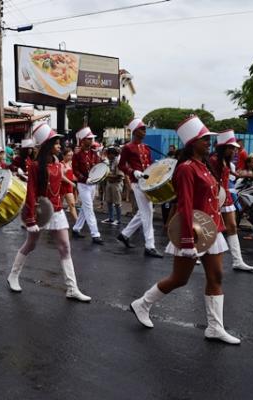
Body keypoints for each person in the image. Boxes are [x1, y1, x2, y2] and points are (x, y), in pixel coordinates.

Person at [130, 116, 240, 345]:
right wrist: (188, 241)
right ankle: (143, 303)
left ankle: (215, 327)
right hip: (193, 231)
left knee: (216, 276)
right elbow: (185, 205)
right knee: (180, 279)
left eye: (209, 139)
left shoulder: (205, 165)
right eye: (204, 139)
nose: (208, 143)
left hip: (211, 228)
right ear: (192, 143)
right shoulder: (186, 169)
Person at [7, 123, 91, 302]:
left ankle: (72, 288)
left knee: (65, 247)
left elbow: (61, 183)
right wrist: (30, 219)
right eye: (56, 143)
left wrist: (72, 189)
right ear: (47, 145)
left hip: (58, 209)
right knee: (31, 245)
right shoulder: (36, 166)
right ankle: (13, 276)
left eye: (59, 143)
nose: (60, 146)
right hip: (40, 211)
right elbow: (30, 191)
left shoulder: (58, 164)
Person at [117, 118, 163, 258]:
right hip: (137, 183)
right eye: (142, 129)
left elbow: (148, 164)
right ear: (135, 131)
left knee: (145, 211)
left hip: (147, 182)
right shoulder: (127, 147)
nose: (145, 131)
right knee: (147, 213)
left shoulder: (146, 147)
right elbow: (121, 165)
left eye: (145, 129)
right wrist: (132, 172)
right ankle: (150, 246)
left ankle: (125, 235)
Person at [209, 130, 253, 271]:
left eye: (235, 148)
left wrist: (247, 174)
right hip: (215, 197)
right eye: (231, 148)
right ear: (223, 148)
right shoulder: (213, 160)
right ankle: (196, 254)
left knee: (233, 227)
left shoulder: (226, 162)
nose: (234, 151)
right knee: (210, 227)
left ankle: (237, 261)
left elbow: (233, 174)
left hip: (226, 197)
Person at [71, 127, 104, 244]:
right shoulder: (77, 155)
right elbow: (75, 170)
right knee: (89, 208)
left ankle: (76, 228)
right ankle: (95, 234)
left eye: (91, 139)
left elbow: (98, 166)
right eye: (89, 139)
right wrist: (85, 179)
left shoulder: (93, 153)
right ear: (83, 140)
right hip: (83, 185)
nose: (91, 141)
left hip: (92, 184)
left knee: (86, 208)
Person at [102, 146, 125, 226]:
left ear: (113, 154)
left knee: (117, 202)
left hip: (116, 184)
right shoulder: (109, 161)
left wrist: (107, 176)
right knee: (109, 201)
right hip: (109, 183)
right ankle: (111, 218)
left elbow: (119, 176)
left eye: (108, 154)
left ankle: (118, 219)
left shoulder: (118, 162)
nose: (107, 156)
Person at [60, 147, 78, 220]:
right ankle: (57, 222)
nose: (70, 157)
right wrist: (71, 182)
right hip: (61, 187)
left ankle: (77, 223)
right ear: (64, 155)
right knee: (59, 206)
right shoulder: (61, 164)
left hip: (69, 187)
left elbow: (72, 175)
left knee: (72, 205)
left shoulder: (71, 164)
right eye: (68, 155)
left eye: (71, 155)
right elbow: (61, 176)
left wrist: (78, 179)